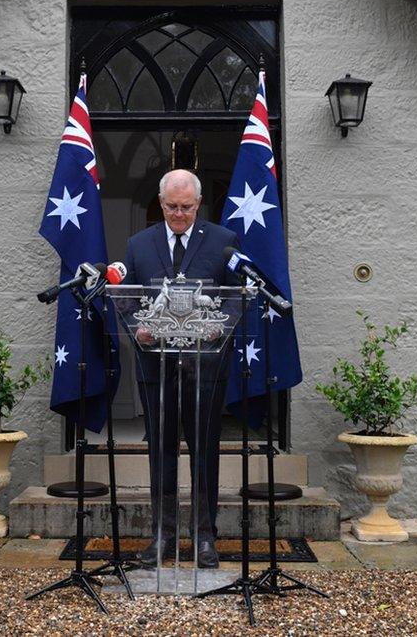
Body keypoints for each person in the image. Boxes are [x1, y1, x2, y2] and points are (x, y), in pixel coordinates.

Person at [123, 168, 240, 568]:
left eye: (186, 207)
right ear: (160, 203)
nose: (179, 214)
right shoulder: (139, 244)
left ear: (198, 204)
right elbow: (127, 299)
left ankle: (205, 537)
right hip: (156, 370)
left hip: (205, 370)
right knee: (161, 452)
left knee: (204, 452)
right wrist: (137, 329)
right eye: (172, 207)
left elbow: (237, 299)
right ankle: (162, 536)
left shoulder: (223, 242)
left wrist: (216, 329)